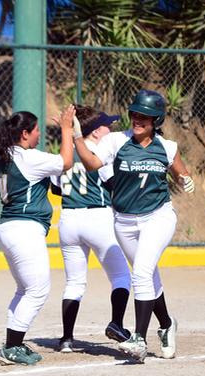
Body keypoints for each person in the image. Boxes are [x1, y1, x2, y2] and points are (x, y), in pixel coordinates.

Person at [73, 89, 195, 363]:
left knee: (140, 272)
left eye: (145, 116)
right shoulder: (116, 141)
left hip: (158, 216)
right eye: (135, 114)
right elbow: (91, 164)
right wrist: (77, 137)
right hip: (124, 221)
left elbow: (181, 173)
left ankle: (139, 339)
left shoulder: (167, 147)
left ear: (156, 120)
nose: (138, 119)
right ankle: (167, 325)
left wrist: (186, 180)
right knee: (149, 277)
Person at [0, 106, 75, 366]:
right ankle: (12, 347)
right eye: (37, 130)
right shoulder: (27, 157)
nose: (40, 134)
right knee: (38, 290)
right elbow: (66, 162)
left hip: (8, 227)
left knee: (24, 289)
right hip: (24, 228)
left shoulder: (4, 156)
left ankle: (13, 343)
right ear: (25, 134)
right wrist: (66, 130)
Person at [51, 105, 131, 353]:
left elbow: (56, 188)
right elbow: (114, 184)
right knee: (121, 277)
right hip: (98, 217)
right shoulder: (99, 152)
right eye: (107, 125)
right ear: (95, 132)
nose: (111, 129)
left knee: (74, 283)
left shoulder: (65, 151)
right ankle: (117, 324)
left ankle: (66, 339)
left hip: (68, 219)